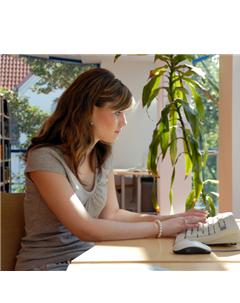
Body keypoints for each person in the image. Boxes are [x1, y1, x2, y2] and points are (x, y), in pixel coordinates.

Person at [15, 67, 207, 271]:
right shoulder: (45, 158)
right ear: (88, 110)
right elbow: (84, 227)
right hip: (49, 266)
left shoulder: (101, 156)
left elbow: (112, 214)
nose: (123, 123)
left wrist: (174, 219)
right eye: (117, 113)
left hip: (89, 260)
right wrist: (161, 228)